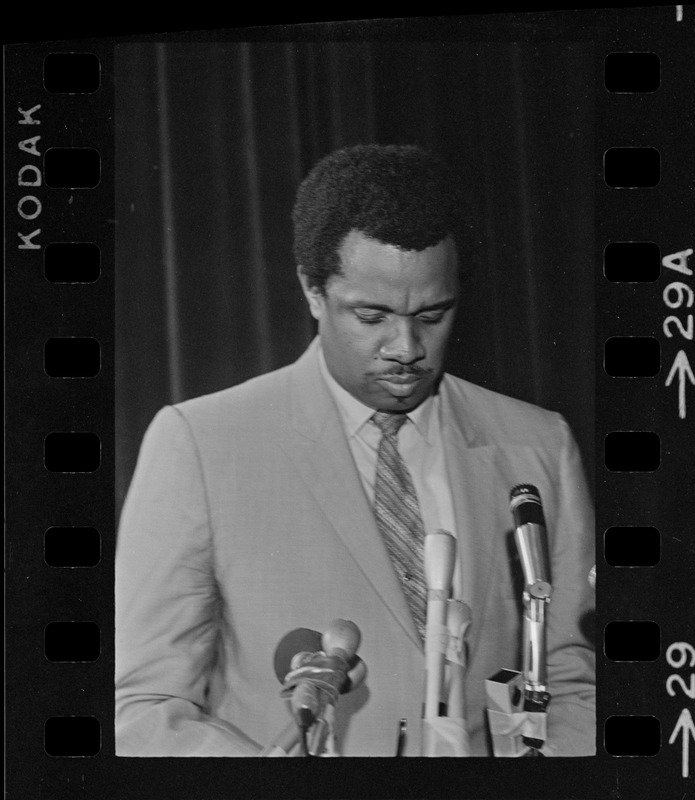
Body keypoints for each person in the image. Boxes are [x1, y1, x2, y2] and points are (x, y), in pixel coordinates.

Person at [115, 144, 595, 757]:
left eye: (433, 314)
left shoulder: (540, 446)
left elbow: (572, 688)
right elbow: (145, 708)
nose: (407, 346)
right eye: (372, 315)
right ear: (312, 292)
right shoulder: (200, 443)